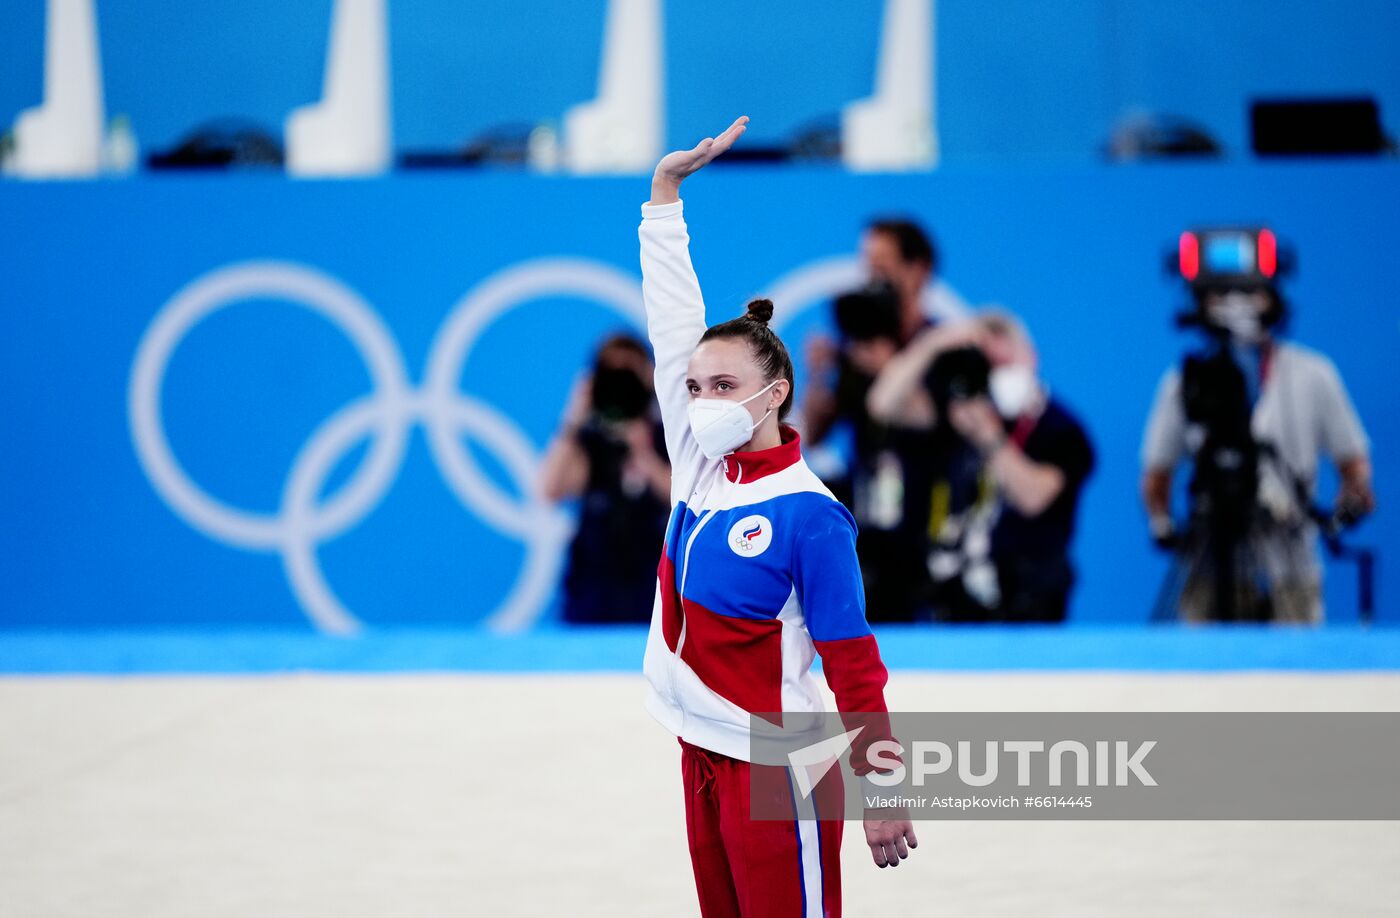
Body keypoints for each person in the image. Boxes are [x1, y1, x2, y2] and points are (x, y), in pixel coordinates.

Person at [639, 115, 917, 916]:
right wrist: (664, 200)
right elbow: (669, 331)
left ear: (775, 394)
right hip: (701, 751)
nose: (700, 403)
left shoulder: (809, 516)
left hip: (779, 766)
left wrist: (882, 787)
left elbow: (854, 665)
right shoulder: (699, 466)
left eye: (723, 388)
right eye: (695, 389)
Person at [1141, 283, 1375, 623]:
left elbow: (1354, 464)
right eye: (1221, 294)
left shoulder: (1313, 375)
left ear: (1273, 299)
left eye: (1251, 293)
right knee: (1202, 670)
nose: (1237, 306)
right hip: (1210, 563)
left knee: (1298, 670)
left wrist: (1347, 507)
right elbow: (1155, 476)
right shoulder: (1184, 382)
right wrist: (1163, 525)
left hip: (1291, 559)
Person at [867, 309, 1095, 621]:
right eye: (991, 365)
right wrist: (933, 344)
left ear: (1032, 357)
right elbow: (882, 404)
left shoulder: (1061, 429)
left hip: (1030, 597)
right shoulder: (957, 414)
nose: (1000, 373)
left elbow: (1034, 498)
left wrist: (990, 438)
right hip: (956, 595)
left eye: (1007, 361)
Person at [538, 333, 672, 623]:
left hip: (654, 595)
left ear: (649, 376)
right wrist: (572, 418)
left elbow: (685, 501)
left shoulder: (670, 440)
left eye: (630, 372)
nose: (622, 384)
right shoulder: (586, 442)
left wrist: (644, 455)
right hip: (592, 597)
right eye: (613, 373)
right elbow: (550, 490)